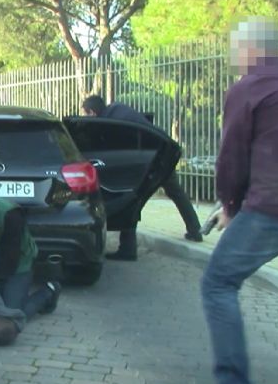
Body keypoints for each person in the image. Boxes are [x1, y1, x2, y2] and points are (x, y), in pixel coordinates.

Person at [194, 17, 278, 384]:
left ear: (251, 50)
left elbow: (232, 157)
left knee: (218, 283)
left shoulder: (250, 87)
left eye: (236, 50)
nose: (234, 58)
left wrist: (230, 207)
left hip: (272, 207)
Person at [83, 95, 203, 261]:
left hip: (151, 160)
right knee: (174, 192)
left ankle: (128, 249)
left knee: (130, 200)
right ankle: (195, 230)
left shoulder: (112, 121)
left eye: (86, 114)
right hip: (161, 153)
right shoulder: (118, 110)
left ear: (92, 112)